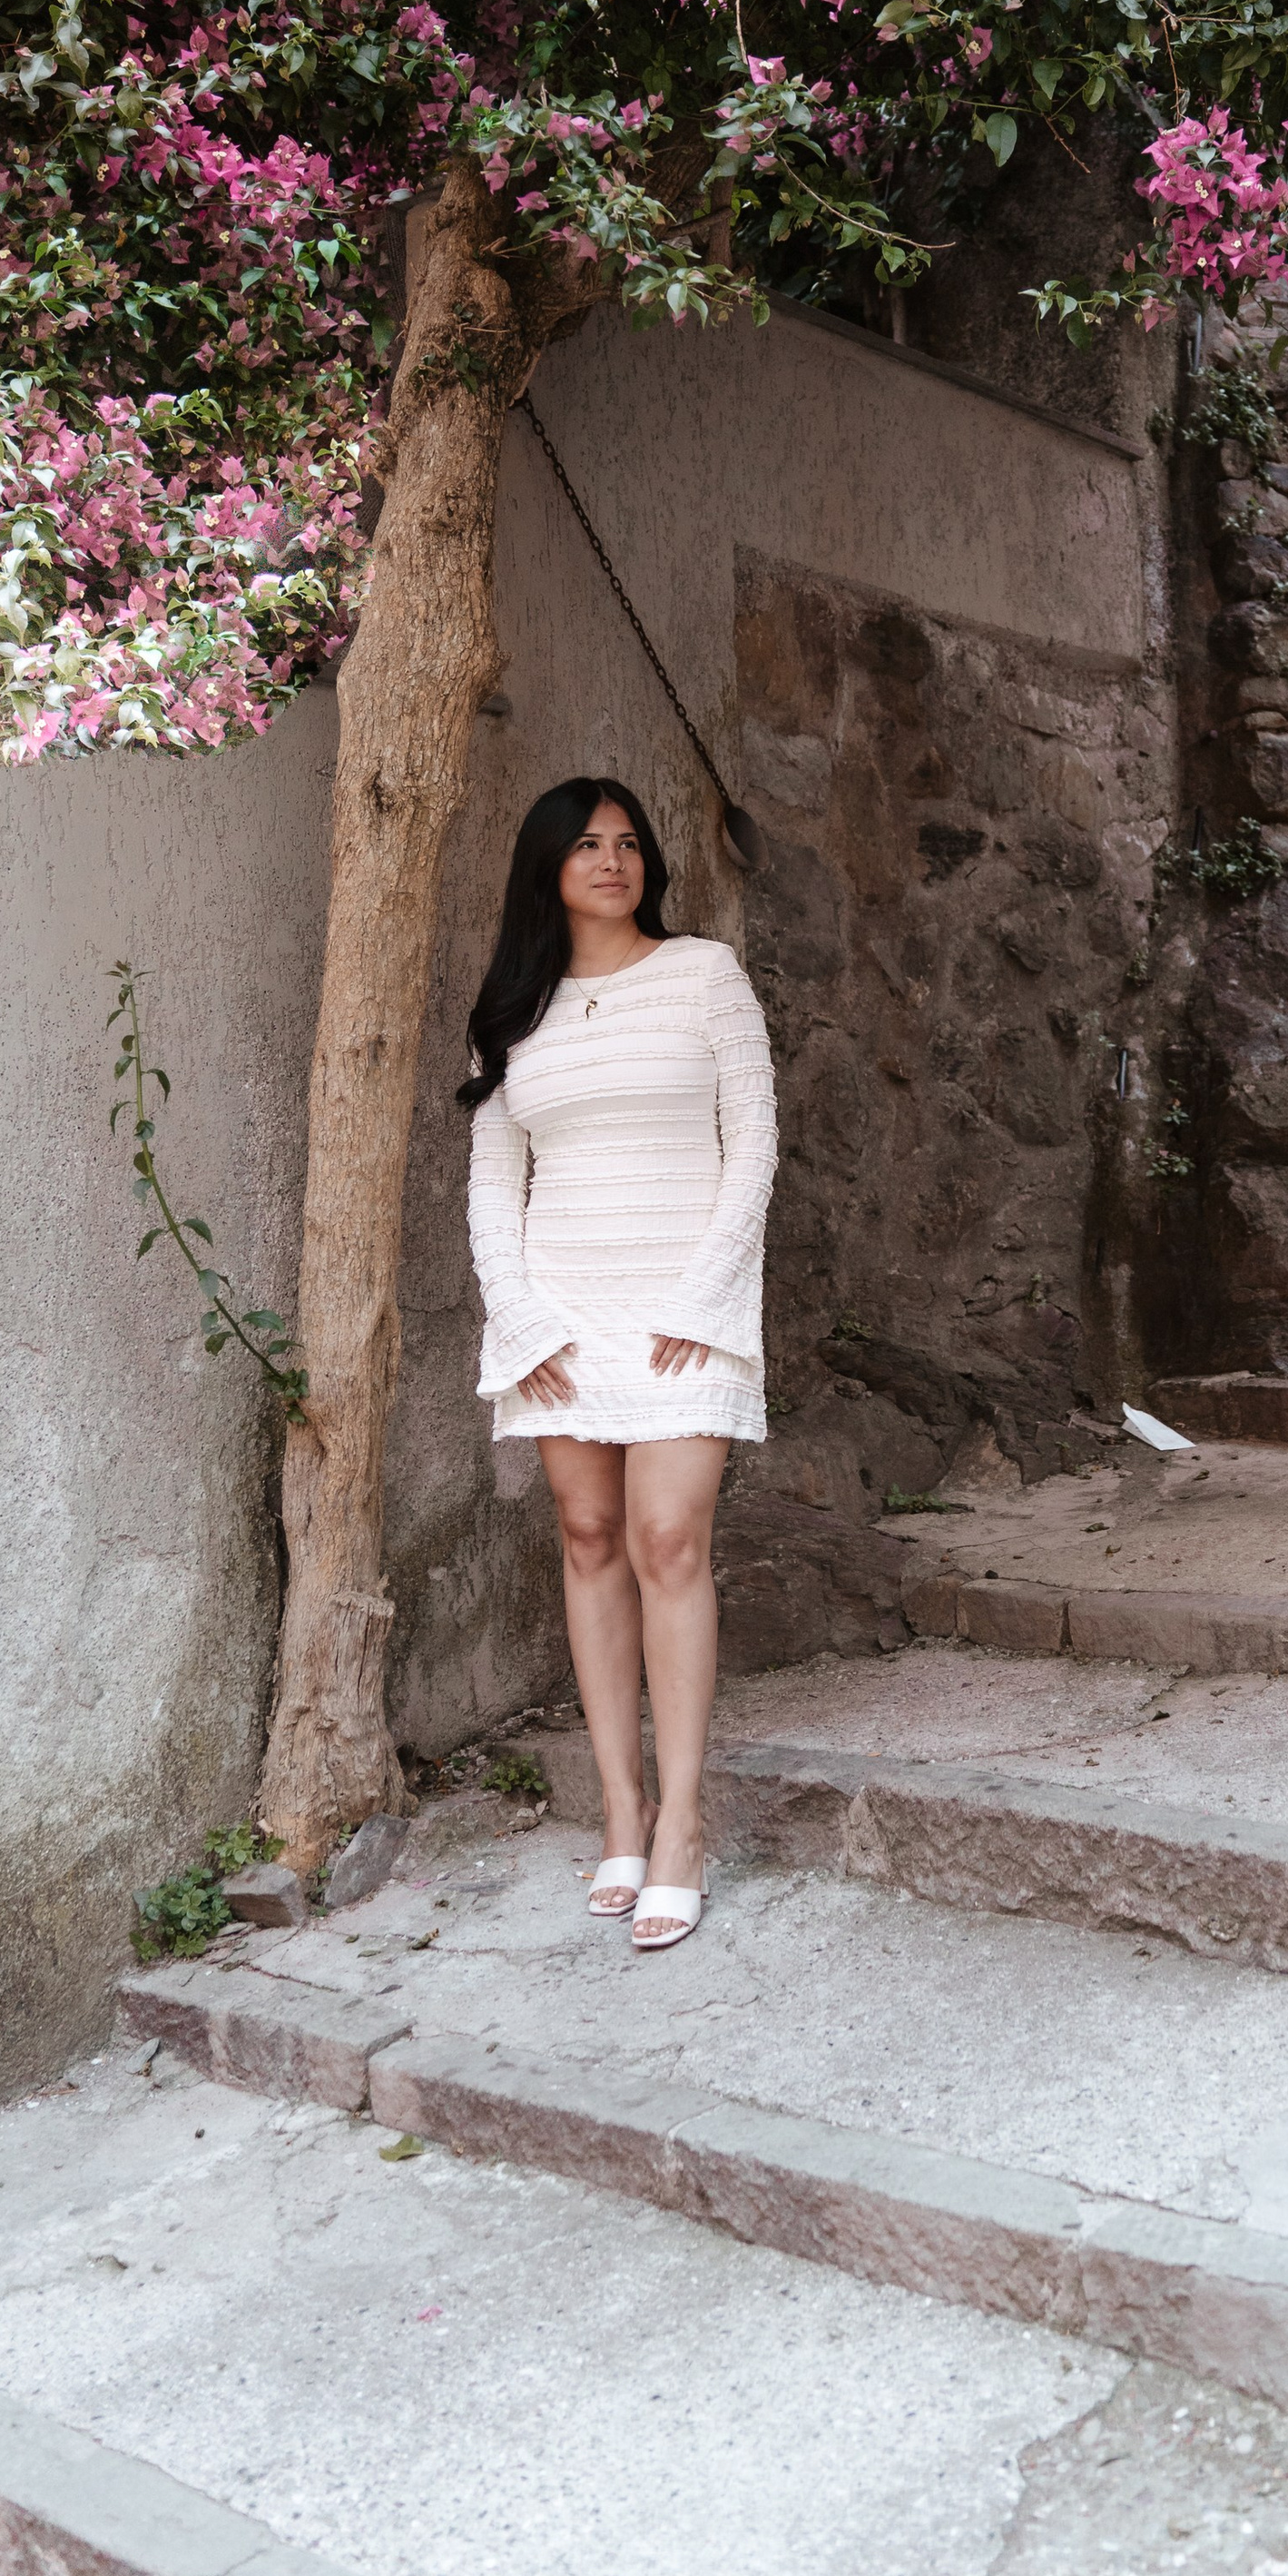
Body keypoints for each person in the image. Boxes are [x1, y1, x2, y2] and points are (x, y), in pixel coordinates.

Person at [459, 775, 775, 1949]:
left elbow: (754, 1146)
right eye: (587, 844)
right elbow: (494, 1182)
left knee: (666, 1539)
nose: (611, 859)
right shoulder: (514, 1012)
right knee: (588, 1538)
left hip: (685, 1309)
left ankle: (684, 1824)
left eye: (628, 842)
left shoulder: (705, 977)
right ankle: (621, 1815)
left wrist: (704, 1292)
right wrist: (524, 1319)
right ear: (548, 867)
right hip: (563, 1319)